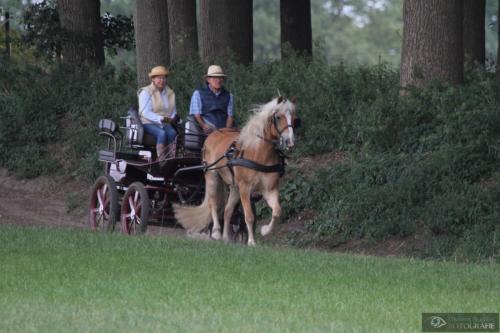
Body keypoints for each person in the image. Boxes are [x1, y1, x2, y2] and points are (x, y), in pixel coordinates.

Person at [138, 65, 178, 162]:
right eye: (159, 78)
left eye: (164, 78)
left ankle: (171, 159)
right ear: (153, 79)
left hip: (165, 122)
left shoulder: (169, 92)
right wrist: (160, 118)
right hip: (148, 122)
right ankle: (161, 160)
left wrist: (174, 118)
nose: (162, 81)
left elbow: (173, 110)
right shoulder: (146, 92)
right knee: (162, 133)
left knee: (173, 133)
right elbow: (145, 112)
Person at [189, 65, 234, 133]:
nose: (218, 80)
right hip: (207, 127)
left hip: (224, 128)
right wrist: (204, 126)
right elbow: (196, 115)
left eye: (220, 77)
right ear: (208, 79)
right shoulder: (198, 93)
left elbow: (230, 116)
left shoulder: (229, 95)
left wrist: (227, 130)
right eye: (215, 77)